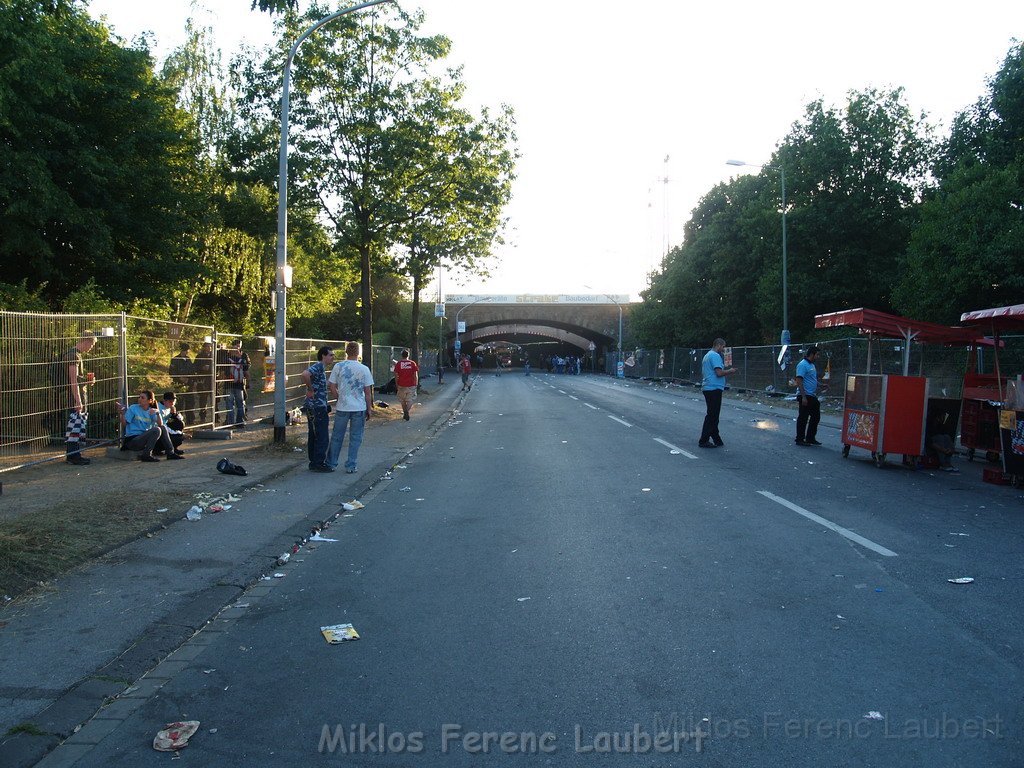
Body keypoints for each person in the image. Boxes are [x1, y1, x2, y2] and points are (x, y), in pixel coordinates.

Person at [327, 341, 374, 473]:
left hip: (343, 406)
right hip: (359, 407)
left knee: (337, 436)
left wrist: (338, 397)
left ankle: (332, 463)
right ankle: (351, 465)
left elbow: (331, 385)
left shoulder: (339, 366)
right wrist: (369, 409)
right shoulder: (364, 369)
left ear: (346, 352)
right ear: (358, 353)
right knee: (356, 437)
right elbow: (367, 392)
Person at [53, 332, 97, 465]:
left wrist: (86, 382)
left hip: (73, 394)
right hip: (73, 396)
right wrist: (78, 400)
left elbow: (76, 379)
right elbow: (73, 380)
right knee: (75, 425)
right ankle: (73, 456)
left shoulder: (75, 355)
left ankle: (74, 454)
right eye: (92, 344)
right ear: (86, 341)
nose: (91, 348)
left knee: (77, 424)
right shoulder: (73, 356)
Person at [119, 390, 182, 462]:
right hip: (133, 440)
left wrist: (157, 413)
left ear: (150, 400)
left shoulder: (151, 410)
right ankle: (146, 455)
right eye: (139, 397)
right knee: (156, 430)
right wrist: (122, 414)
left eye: (142, 398)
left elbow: (160, 424)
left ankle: (170, 453)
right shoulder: (133, 408)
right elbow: (124, 424)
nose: (139, 399)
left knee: (162, 427)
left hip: (145, 439)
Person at [699, 338, 737, 448]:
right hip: (714, 387)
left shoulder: (707, 355)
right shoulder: (715, 356)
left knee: (713, 415)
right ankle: (704, 440)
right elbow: (719, 373)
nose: (723, 349)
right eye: (723, 346)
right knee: (712, 415)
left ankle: (716, 438)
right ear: (718, 345)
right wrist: (730, 371)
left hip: (708, 387)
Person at [302, 346, 334, 472]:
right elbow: (305, 374)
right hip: (317, 406)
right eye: (330, 355)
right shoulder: (319, 366)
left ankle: (314, 461)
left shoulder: (321, 369)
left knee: (314, 434)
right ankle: (319, 462)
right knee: (322, 435)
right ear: (323, 356)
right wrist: (310, 389)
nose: (332, 357)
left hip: (315, 406)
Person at [795, 345, 822, 446]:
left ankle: (810, 437)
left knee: (816, 416)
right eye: (817, 355)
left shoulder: (812, 365)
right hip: (805, 395)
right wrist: (803, 397)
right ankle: (799, 439)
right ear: (812, 354)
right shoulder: (802, 365)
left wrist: (820, 385)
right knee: (803, 418)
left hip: (812, 396)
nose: (818, 357)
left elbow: (811, 379)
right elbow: (799, 381)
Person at [225, 344, 247, 428]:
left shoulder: (227, 360)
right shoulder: (242, 360)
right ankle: (240, 422)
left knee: (230, 404)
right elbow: (246, 373)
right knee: (240, 404)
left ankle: (230, 423)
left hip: (228, 384)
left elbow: (224, 373)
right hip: (239, 385)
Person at [393, 349, 419, 421]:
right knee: (410, 399)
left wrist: (396, 384)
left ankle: (405, 411)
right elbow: (415, 375)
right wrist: (416, 383)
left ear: (402, 355)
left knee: (402, 400)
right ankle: (406, 412)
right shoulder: (412, 363)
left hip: (401, 384)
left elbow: (396, 375)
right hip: (411, 384)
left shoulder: (399, 364)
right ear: (408, 355)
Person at [192, 342, 214, 426]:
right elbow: (195, 367)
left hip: (212, 380)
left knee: (214, 399)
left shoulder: (214, 355)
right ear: (204, 347)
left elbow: (218, 366)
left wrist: (210, 368)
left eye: (210, 346)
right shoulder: (199, 356)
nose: (209, 348)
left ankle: (215, 417)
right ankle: (202, 417)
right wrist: (202, 368)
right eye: (207, 346)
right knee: (203, 400)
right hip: (203, 380)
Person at [169, 343, 193, 416]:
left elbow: (192, 370)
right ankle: (178, 417)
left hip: (188, 383)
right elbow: (171, 372)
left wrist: (190, 379)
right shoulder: (175, 360)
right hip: (179, 384)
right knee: (179, 402)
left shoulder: (188, 359)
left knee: (190, 401)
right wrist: (179, 378)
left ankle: (190, 419)